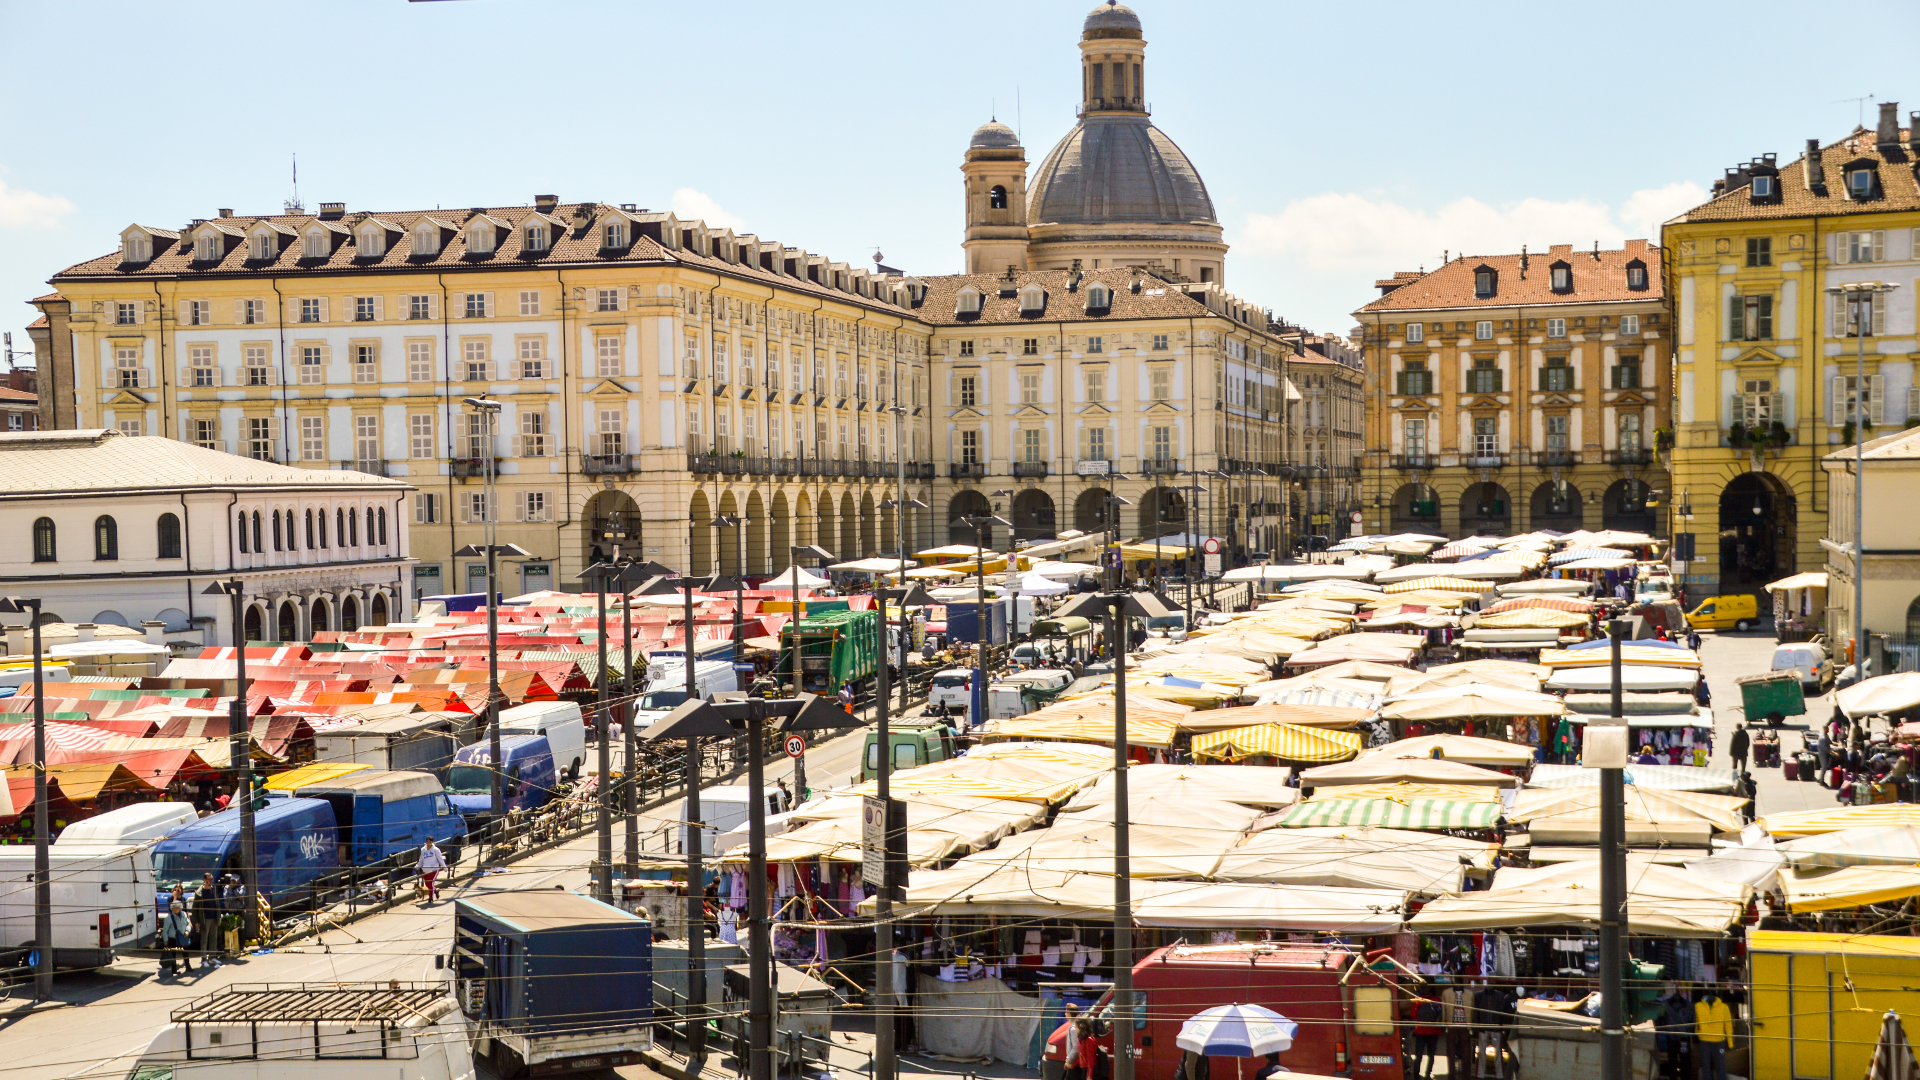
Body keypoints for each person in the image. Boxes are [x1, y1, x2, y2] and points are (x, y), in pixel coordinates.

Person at [193, 872, 223, 968]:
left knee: (213, 938)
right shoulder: (199, 893)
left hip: (214, 917)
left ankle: (212, 957)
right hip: (205, 919)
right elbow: (195, 909)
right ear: (205, 880)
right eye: (209, 880)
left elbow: (217, 903)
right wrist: (197, 922)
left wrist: (219, 916)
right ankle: (204, 959)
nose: (211, 881)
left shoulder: (213, 889)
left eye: (212, 879)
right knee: (204, 940)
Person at [1411, 995, 1442, 1080]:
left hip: (1421, 1031)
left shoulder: (1418, 1000)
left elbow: (1413, 1015)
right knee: (1431, 1054)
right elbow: (1441, 1015)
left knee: (1419, 1055)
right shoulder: (1437, 999)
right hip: (1434, 1031)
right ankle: (1427, 1074)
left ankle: (1416, 1075)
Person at [159, 900, 193, 976]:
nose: (175, 909)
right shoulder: (169, 917)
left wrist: (187, 931)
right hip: (172, 938)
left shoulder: (184, 914)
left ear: (180, 908)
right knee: (173, 954)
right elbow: (165, 930)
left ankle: (188, 967)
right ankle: (174, 970)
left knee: (185, 952)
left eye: (177, 908)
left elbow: (188, 924)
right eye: (174, 908)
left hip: (183, 937)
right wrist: (165, 940)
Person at [416, 837, 447, 903]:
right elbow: (421, 860)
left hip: (434, 870)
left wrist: (444, 867)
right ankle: (435, 890)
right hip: (425, 870)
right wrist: (417, 866)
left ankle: (430, 898)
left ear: (432, 842)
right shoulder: (423, 850)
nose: (428, 842)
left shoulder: (436, 850)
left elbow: (440, 859)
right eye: (427, 841)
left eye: (429, 841)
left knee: (431, 883)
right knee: (427, 884)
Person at [1063, 1006, 1085, 1080]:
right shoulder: (1073, 1026)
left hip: (1073, 1063)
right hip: (1073, 1062)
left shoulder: (1073, 1028)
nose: (1065, 1013)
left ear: (1069, 1014)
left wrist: (1068, 1060)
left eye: (1066, 1012)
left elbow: (1076, 1048)